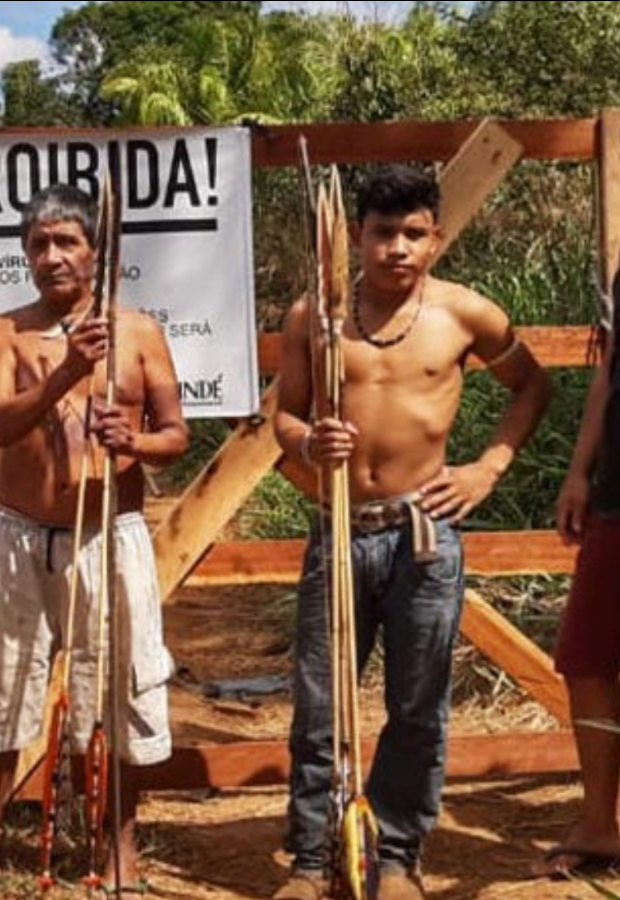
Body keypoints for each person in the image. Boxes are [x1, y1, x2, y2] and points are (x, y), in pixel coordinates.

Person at [272, 165, 551, 900]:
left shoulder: (466, 314)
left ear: (435, 238)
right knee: (320, 703)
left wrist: (487, 467)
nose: (396, 247)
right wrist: (307, 446)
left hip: (423, 535)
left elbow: (533, 385)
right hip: (339, 528)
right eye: (381, 232)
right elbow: (284, 419)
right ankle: (310, 860)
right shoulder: (316, 317)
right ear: (355, 237)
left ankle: (396, 857)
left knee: (418, 702)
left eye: (413, 233)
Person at [0, 184, 188, 899]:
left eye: (66, 242)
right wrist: (69, 374)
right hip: (18, 536)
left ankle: (116, 853)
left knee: (117, 691)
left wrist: (132, 440)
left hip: (109, 536)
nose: (52, 256)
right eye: (39, 244)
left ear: (95, 252)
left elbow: (175, 435)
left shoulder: (137, 332)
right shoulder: (4, 333)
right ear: (25, 255)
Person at [533, 269, 620, 878]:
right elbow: (608, 375)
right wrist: (578, 472)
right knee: (585, 659)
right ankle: (597, 822)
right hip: (616, 500)